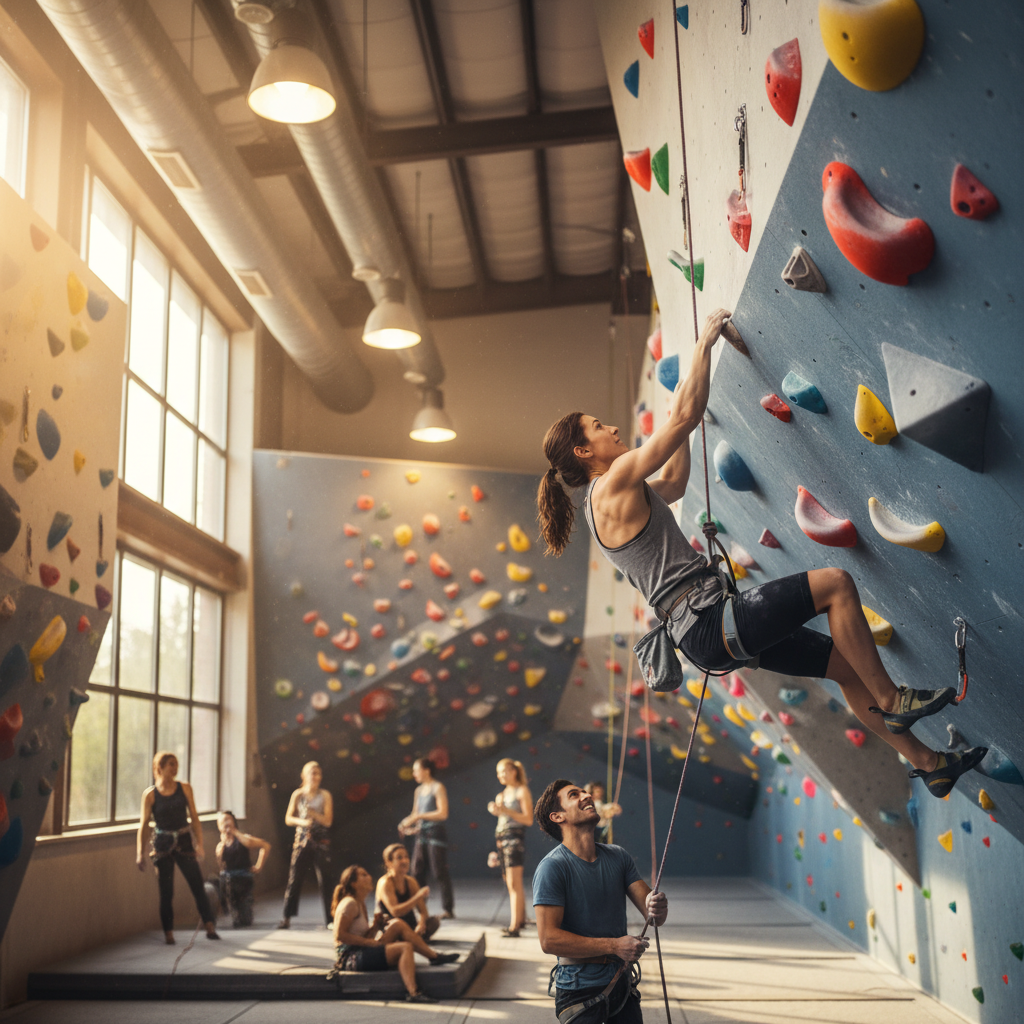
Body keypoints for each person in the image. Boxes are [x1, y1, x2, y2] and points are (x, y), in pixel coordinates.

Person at [536, 309, 987, 801]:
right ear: (583, 452)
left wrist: (686, 412)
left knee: (845, 667)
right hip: (710, 621)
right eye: (598, 427)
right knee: (836, 585)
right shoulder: (610, 485)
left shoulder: (608, 504)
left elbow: (675, 481)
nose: (611, 429)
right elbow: (681, 419)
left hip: (706, 633)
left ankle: (930, 764)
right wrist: (704, 345)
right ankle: (892, 699)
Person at [533, 779, 667, 1024]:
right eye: (574, 795)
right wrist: (614, 946)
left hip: (621, 986)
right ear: (557, 816)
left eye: (585, 792)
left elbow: (654, 916)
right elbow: (548, 939)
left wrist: (657, 905)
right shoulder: (552, 867)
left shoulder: (618, 856)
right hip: (578, 989)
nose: (586, 796)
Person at [331, 864, 459, 1003]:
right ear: (354, 883)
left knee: (397, 924)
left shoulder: (360, 903)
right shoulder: (349, 903)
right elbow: (339, 935)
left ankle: (434, 957)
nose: (369, 877)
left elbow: (363, 937)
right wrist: (368, 942)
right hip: (349, 958)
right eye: (363, 875)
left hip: (360, 950)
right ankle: (414, 992)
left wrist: (375, 927)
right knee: (405, 947)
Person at [136, 751, 219, 944]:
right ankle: (169, 932)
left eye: (176, 764)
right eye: (171, 764)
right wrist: (140, 852)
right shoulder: (150, 795)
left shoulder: (185, 788)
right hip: (162, 845)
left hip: (183, 842)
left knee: (197, 885)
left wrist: (199, 844)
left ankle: (209, 926)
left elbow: (195, 818)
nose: (175, 768)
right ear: (160, 767)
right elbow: (144, 825)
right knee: (166, 891)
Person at [279, 761, 334, 928]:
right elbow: (288, 818)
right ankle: (286, 918)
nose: (315, 776)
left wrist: (312, 814)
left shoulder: (325, 795)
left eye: (318, 773)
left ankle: (331, 919)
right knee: (294, 879)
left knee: (325, 880)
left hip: (320, 841)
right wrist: (303, 822)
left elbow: (328, 821)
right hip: (302, 841)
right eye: (312, 773)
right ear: (304, 776)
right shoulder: (298, 795)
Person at [399, 757, 454, 918]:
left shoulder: (438, 787)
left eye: (416, 770)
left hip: (435, 834)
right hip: (421, 834)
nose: (414, 774)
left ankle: (448, 909)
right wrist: (406, 824)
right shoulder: (418, 790)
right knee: (417, 871)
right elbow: (415, 814)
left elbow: (442, 813)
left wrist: (419, 817)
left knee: (439, 871)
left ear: (427, 770)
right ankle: (420, 906)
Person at [487, 758, 534, 937]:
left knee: (514, 883)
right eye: (498, 773)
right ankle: (521, 919)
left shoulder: (522, 791)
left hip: (514, 839)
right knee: (510, 883)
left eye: (503, 772)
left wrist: (507, 811)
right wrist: (496, 810)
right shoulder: (502, 795)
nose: (501, 776)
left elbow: (528, 819)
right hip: (502, 838)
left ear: (513, 771)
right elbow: (502, 821)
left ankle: (514, 926)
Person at [215, 810, 271, 928]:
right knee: (236, 919)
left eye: (228, 819)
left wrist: (259, 866)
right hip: (230, 882)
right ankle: (234, 914)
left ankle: (245, 913)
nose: (225, 823)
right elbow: (221, 866)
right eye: (222, 821)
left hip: (244, 880)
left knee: (246, 919)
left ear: (234, 822)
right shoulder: (220, 845)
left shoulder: (244, 838)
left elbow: (265, 846)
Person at [376, 843, 439, 939]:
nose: (404, 861)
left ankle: (413, 937)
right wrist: (417, 897)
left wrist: (421, 924)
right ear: (389, 862)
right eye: (399, 858)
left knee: (434, 921)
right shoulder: (385, 883)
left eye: (406, 857)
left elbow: (423, 912)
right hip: (392, 928)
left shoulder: (410, 882)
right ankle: (412, 940)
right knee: (398, 927)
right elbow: (395, 912)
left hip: (410, 927)